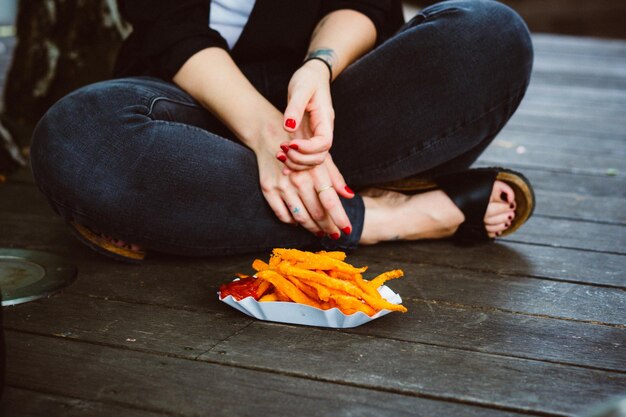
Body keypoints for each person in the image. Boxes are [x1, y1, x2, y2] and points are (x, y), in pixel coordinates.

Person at [29, 0, 535, 263]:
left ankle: (196, 206)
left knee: (491, 34)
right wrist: (266, 131)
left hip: (330, 98)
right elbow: (169, 29)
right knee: (79, 136)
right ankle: (376, 215)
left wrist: (318, 69)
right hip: (195, 96)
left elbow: (364, 4)